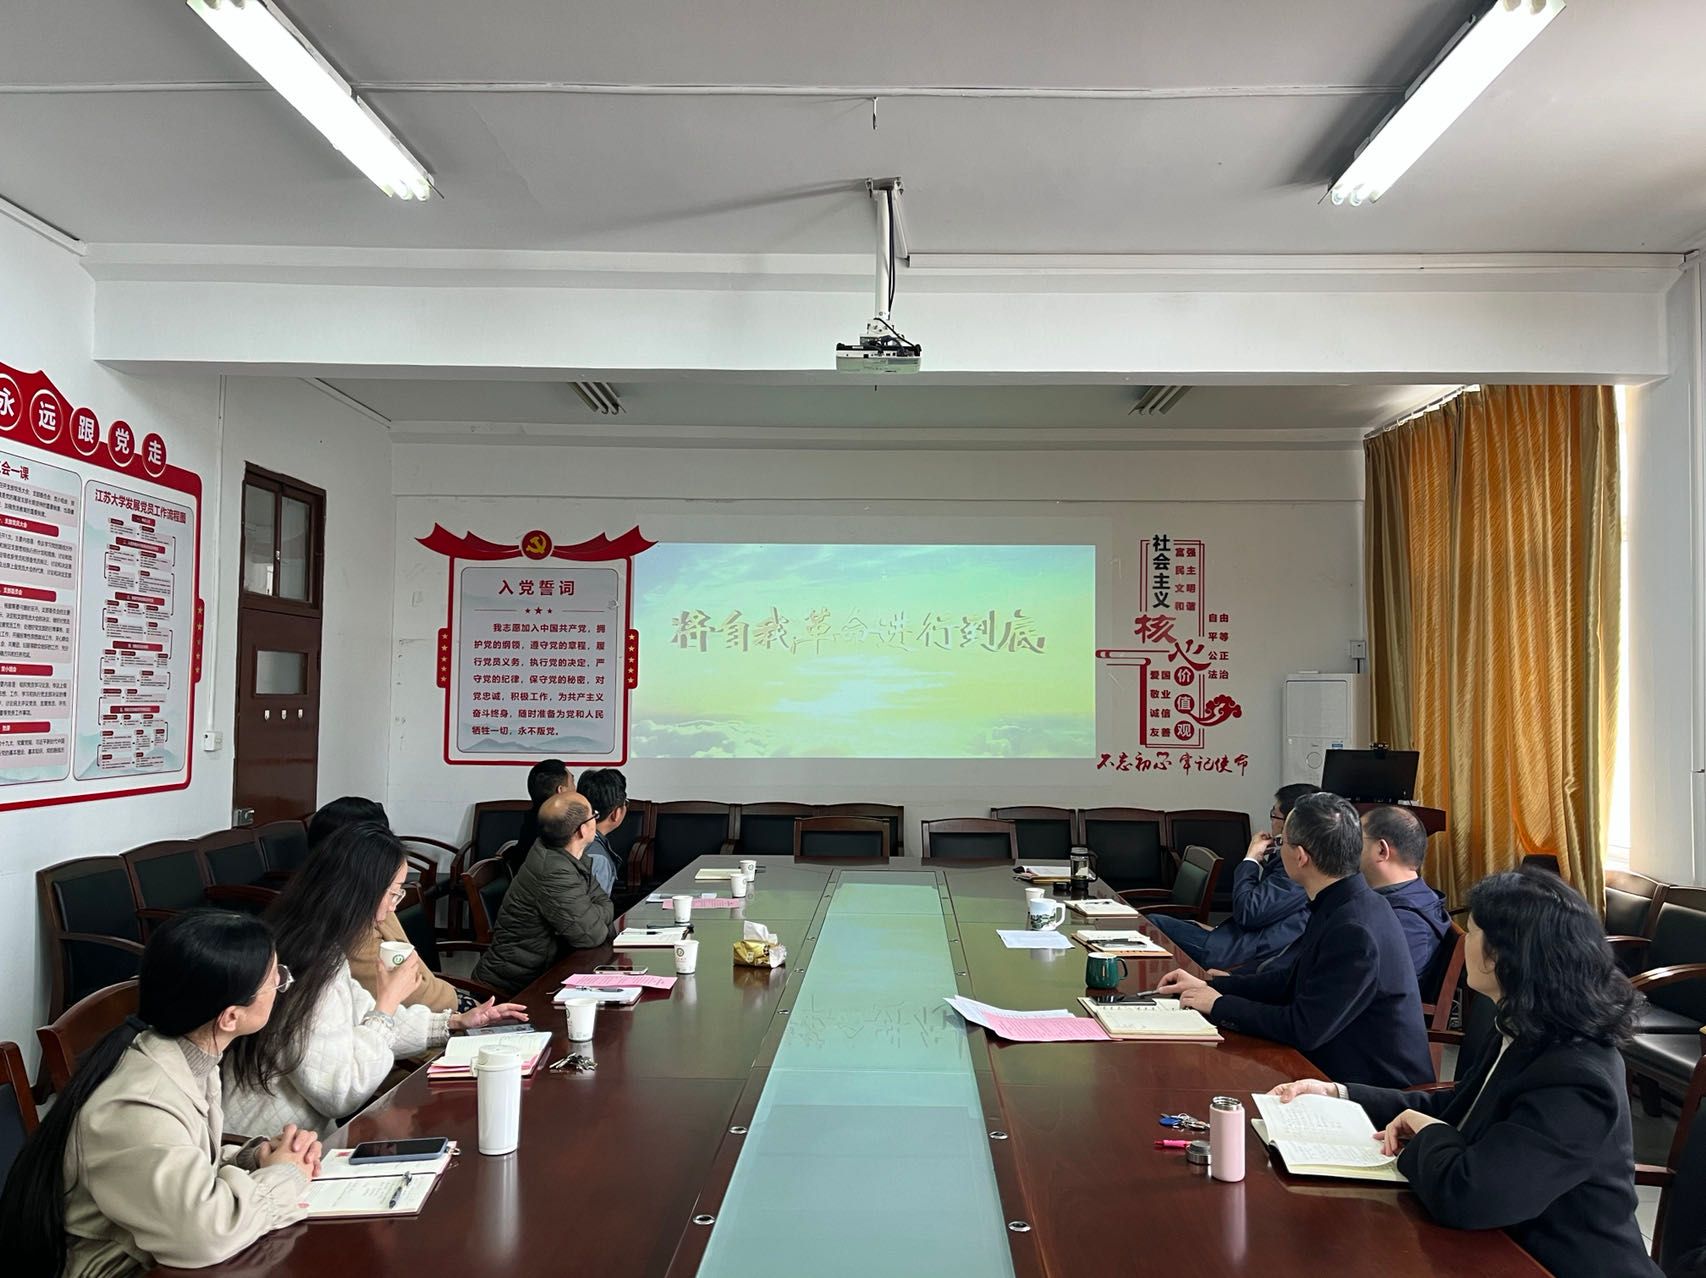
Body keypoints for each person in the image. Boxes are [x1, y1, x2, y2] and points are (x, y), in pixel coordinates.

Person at [1268, 869, 1659, 1278]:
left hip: (1554, 1264)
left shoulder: (1576, 1075)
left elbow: (1469, 1195)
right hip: (1496, 1246)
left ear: (1500, 956)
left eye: (1471, 932)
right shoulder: (1527, 1024)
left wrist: (1427, 1131)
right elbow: (1462, 1105)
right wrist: (1339, 1094)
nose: (1464, 940)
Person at [0, 910, 320, 1276]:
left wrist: (255, 1159)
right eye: (275, 979)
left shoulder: (187, 1054)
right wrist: (285, 1176)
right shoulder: (137, 1103)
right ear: (230, 1016)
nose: (282, 984)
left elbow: (176, 1162)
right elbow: (202, 1235)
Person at [224, 822, 526, 1136]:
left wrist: (455, 1022)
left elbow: (364, 1019)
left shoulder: (315, 944)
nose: (390, 910)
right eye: (393, 894)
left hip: (298, 1141)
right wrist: (387, 1003)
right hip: (264, 1146)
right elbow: (341, 1092)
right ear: (360, 892)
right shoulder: (305, 969)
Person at [1157, 791, 1433, 1087]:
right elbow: (1291, 979)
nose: (1277, 851)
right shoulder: (1341, 901)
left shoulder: (1354, 926)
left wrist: (1220, 1004)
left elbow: (1303, 1027)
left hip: (1373, 1090)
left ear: (1300, 856)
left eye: (1282, 843)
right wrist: (1210, 985)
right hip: (1330, 1063)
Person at [307, 796, 470, 1016]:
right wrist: (456, 1006)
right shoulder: (345, 919)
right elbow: (396, 1001)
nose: (392, 906)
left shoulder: (372, 897)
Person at [1147, 783, 1318, 970]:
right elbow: (1263, 911)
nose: (1271, 821)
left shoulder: (1298, 868)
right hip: (1236, 938)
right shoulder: (1302, 861)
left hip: (1237, 954)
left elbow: (1248, 912)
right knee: (1154, 923)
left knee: (1151, 925)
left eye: (1274, 815)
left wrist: (1251, 859)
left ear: (1290, 824)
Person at [472, 793, 615, 995]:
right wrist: (595, 914)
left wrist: (593, 914)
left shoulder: (566, 854)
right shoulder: (553, 870)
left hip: (544, 973)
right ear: (582, 830)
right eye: (594, 815)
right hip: (514, 989)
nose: (596, 820)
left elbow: (603, 901)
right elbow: (590, 935)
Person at [1359, 805, 1453, 985]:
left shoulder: (1408, 922)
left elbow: (1381, 991)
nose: (1351, 849)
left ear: (1381, 850)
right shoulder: (1415, 898)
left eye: (1357, 840)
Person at [509, 759, 575, 874]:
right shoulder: (557, 833)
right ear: (561, 791)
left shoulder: (530, 823)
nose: (576, 790)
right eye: (573, 782)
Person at [576, 767, 630, 899]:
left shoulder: (565, 835)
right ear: (616, 813)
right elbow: (594, 908)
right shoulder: (598, 859)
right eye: (625, 803)